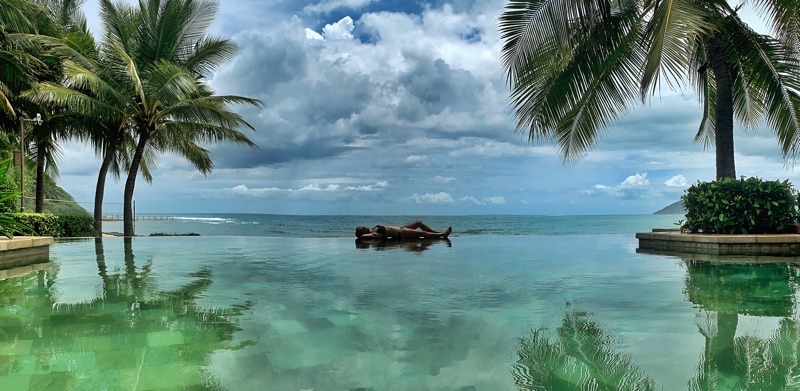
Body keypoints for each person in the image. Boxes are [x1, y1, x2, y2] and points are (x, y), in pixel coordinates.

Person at [355, 221, 451, 240]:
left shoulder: (373, 229)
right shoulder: (374, 234)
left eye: (362, 226)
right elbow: (363, 237)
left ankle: (436, 233)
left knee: (419, 223)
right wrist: (361, 236)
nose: (364, 227)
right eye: (362, 229)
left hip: (402, 228)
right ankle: (442, 234)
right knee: (423, 233)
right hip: (402, 233)